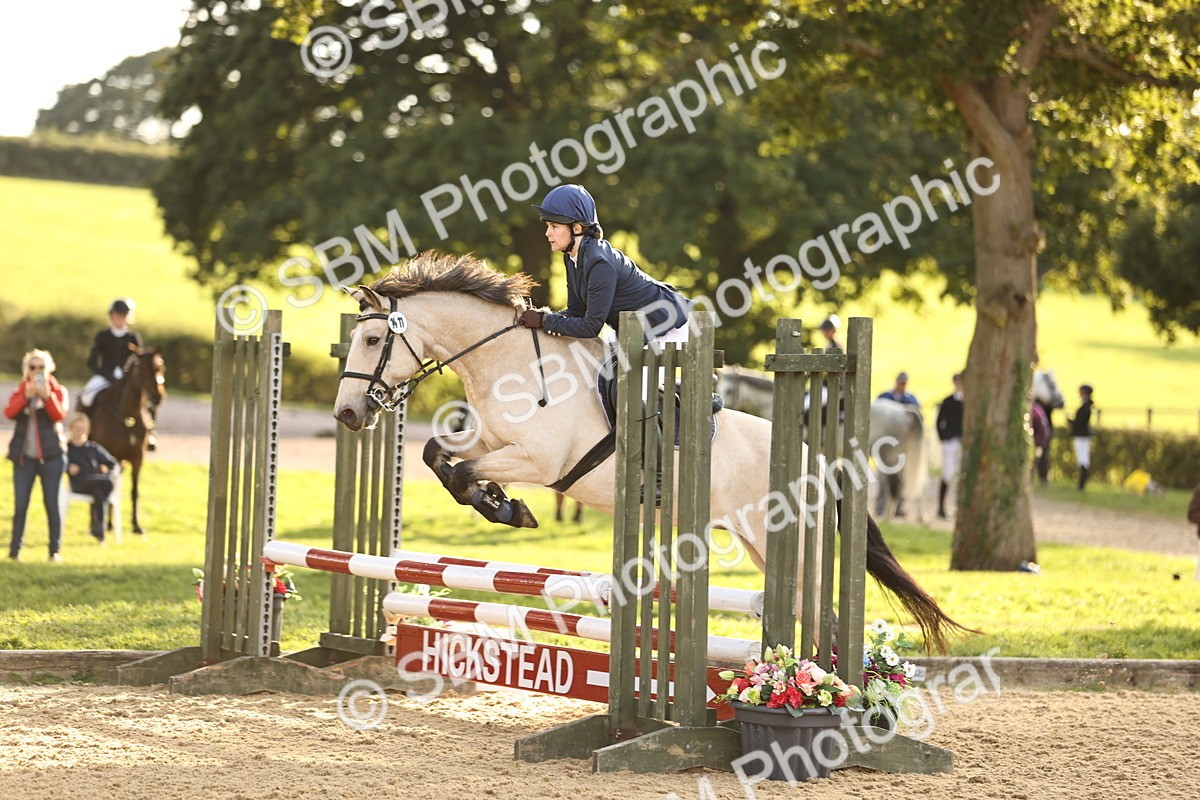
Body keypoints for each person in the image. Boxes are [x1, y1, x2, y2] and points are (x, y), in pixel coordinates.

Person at [518, 185, 692, 341]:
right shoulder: (572, 257)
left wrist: (544, 321)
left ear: (576, 229)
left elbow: (591, 327)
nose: (547, 233)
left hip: (666, 327)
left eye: (554, 226)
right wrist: (545, 317)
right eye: (548, 225)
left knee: (614, 375)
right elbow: (576, 311)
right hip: (634, 331)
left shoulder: (599, 263)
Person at [6, 349, 69, 562]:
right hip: (24, 459)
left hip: (51, 457)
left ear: (48, 369)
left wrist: (47, 396)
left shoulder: (58, 391)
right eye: (32, 367)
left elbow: (59, 415)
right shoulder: (21, 390)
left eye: (40, 367)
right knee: (21, 505)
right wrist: (26, 397)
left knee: (51, 504)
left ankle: (54, 551)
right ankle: (14, 552)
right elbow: (9, 413)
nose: (36, 371)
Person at [81, 298, 157, 450]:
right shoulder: (103, 336)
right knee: (86, 397)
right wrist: (107, 374)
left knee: (146, 397)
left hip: (127, 378)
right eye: (117, 315)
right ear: (111, 315)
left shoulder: (132, 337)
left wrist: (128, 375)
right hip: (105, 376)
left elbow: (140, 362)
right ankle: (85, 430)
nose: (120, 318)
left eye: (123, 315)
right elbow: (92, 361)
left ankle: (150, 433)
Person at [66, 413, 118, 544]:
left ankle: (98, 531)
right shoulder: (66, 449)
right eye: (76, 428)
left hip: (96, 484)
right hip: (78, 484)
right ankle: (99, 530)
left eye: (82, 429)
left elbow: (113, 463)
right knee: (106, 483)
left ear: (87, 431)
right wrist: (68, 467)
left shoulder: (93, 448)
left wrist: (110, 473)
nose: (79, 432)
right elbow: (57, 464)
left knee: (99, 492)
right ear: (71, 429)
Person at [935, 372, 963, 519]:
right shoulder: (948, 401)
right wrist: (944, 436)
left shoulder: (968, 401)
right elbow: (940, 421)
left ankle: (960, 507)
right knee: (948, 473)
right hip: (950, 441)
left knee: (960, 474)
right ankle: (940, 507)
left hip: (962, 442)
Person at [1069, 384, 1094, 491]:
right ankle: (1081, 484)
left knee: (1083, 460)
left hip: (1081, 435)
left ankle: (1081, 485)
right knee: (1084, 459)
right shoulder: (1086, 405)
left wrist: (1072, 422)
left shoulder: (1085, 406)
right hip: (1083, 435)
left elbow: (1080, 421)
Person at [1031, 400, 1052, 485]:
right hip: (1043, 438)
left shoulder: (1034, 411)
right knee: (1041, 459)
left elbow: (1040, 430)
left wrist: (1038, 444)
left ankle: (1041, 479)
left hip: (1040, 439)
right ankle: (1041, 478)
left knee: (1038, 460)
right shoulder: (1037, 409)